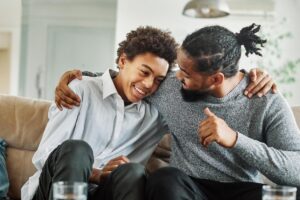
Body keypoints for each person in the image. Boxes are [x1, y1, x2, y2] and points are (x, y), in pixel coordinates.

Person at [56, 24, 300, 200]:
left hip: (241, 189)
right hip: (186, 188)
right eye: (178, 69)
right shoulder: (170, 86)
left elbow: (296, 170)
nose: (176, 77)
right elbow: (126, 78)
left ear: (215, 78)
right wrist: (76, 77)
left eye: (186, 73)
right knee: (164, 177)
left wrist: (235, 140)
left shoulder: (267, 100)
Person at [21, 26, 178, 200]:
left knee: (133, 171)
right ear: (123, 61)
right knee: (77, 149)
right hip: (53, 190)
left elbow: (192, 79)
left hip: (103, 193)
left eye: (158, 80)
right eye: (144, 72)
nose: (149, 84)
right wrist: (95, 174)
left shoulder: (156, 115)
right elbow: (46, 155)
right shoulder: (79, 90)